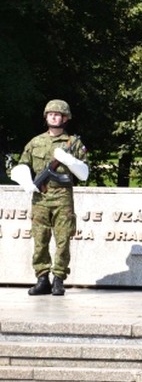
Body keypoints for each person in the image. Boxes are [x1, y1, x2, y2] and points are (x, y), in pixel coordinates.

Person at [17, 99, 89, 296]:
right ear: (46, 117)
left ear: (65, 118)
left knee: (63, 239)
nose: (54, 117)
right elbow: (22, 164)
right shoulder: (35, 142)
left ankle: (58, 279)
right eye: (50, 114)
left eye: (58, 114)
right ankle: (42, 278)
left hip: (63, 197)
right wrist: (26, 181)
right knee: (40, 239)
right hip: (40, 197)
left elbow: (84, 173)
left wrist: (69, 160)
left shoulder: (73, 143)